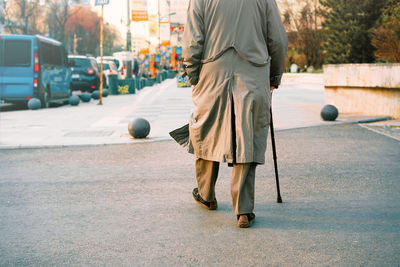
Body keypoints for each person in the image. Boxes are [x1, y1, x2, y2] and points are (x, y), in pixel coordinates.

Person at [170, 0, 288, 228]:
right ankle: (243, 211)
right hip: (253, 72)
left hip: (212, 72)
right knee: (247, 134)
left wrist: (194, 75)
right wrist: (274, 77)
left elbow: (192, 41)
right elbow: (278, 40)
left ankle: (206, 194)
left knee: (207, 128)